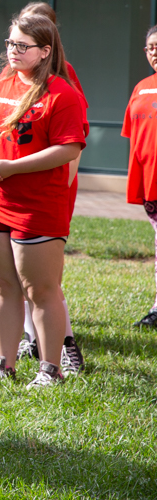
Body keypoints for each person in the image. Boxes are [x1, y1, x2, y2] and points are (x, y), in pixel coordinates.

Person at [0, 13, 86, 388]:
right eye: (10, 44)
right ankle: (2, 363)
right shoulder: (0, 87)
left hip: (38, 207)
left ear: (45, 51)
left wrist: (14, 167)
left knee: (41, 290)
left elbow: (68, 149)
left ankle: (50, 368)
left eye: (23, 46)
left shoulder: (62, 93)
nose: (13, 51)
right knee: (3, 285)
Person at [14, 2, 86, 374]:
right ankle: (31, 337)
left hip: (49, 191)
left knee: (45, 279)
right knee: (18, 275)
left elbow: (73, 140)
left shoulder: (63, 78)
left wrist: (65, 184)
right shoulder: (9, 81)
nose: (16, 48)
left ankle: (66, 347)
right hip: (10, 194)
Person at [124, 24, 157, 329]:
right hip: (151, 184)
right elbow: (134, 137)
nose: (154, 52)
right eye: (150, 47)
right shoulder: (141, 87)